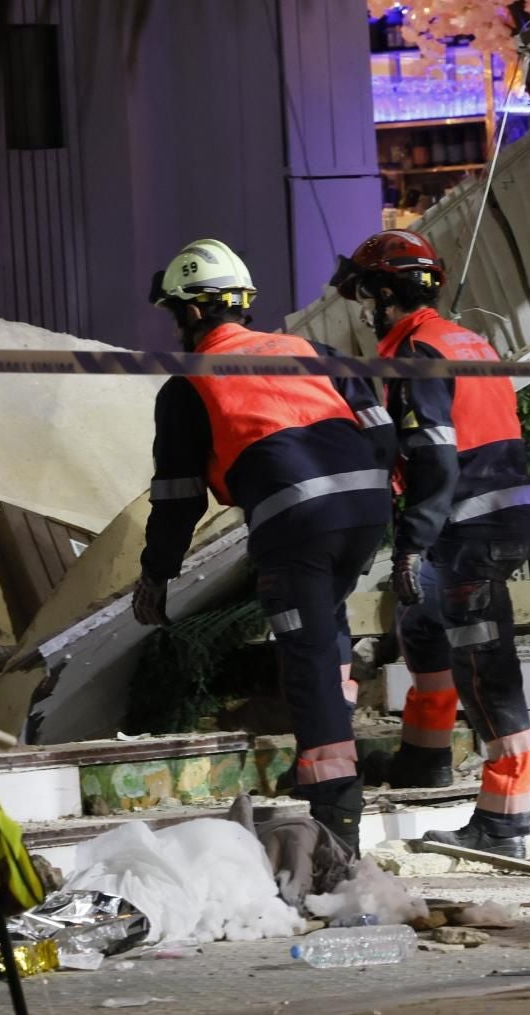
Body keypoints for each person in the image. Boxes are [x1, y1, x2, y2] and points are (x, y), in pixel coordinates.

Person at [133, 238, 392, 852]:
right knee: (325, 629)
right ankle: (335, 746)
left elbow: (177, 496)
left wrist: (156, 573)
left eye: (174, 315)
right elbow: (379, 430)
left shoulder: (189, 383)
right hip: (365, 507)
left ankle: (334, 819)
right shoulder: (311, 351)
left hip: (296, 523)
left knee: (304, 662)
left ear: (193, 313)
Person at [330, 229, 530, 860]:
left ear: (387, 292)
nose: (364, 308)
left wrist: (411, 544)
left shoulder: (417, 352)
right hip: (489, 516)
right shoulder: (461, 339)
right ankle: (424, 759)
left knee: (485, 669)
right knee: (422, 623)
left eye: (367, 293)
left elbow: (435, 460)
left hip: (469, 525)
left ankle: (504, 824)